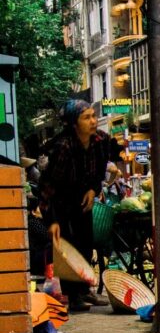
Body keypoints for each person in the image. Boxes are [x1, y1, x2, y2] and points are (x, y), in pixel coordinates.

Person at [39, 100, 122, 312]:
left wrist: (94, 189)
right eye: (86, 117)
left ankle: (85, 290)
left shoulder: (101, 140)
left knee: (85, 242)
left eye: (94, 116)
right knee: (67, 246)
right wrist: (52, 220)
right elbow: (49, 185)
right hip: (60, 201)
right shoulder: (64, 147)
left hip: (83, 200)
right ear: (74, 124)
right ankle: (73, 295)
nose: (93, 121)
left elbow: (100, 171)